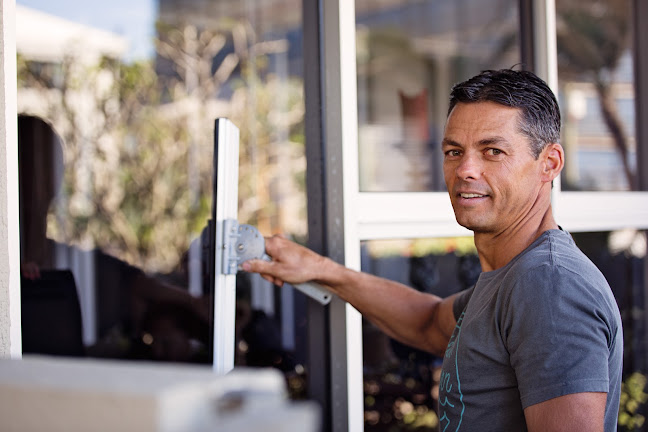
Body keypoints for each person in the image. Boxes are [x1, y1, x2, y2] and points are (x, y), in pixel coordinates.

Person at [242, 69, 623, 431]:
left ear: (549, 163)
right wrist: (321, 269)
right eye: (454, 152)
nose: (465, 170)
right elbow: (426, 321)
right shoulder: (514, 277)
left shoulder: (549, 285)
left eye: (492, 151)